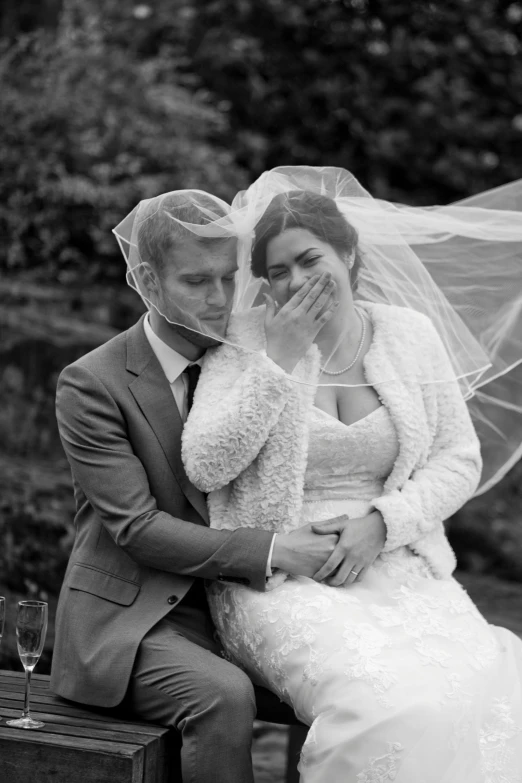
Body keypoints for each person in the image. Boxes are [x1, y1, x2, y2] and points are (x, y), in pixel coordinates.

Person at [181, 168, 522, 781]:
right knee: (385, 705)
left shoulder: (409, 336)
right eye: (277, 272)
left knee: (491, 692)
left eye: (309, 259)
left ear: (348, 253)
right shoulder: (247, 341)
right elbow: (206, 463)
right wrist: (278, 359)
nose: (297, 281)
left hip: (397, 562)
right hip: (280, 577)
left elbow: (458, 458)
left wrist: (381, 524)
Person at [50, 189, 341, 783]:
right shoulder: (92, 384)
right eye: (195, 282)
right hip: (135, 622)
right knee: (223, 695)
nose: (219, 301)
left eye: (228, 278)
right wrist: (275, 550)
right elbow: (137, 528)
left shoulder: (251, 355)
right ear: (147, 282)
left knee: (354, 681)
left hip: (245, 606)